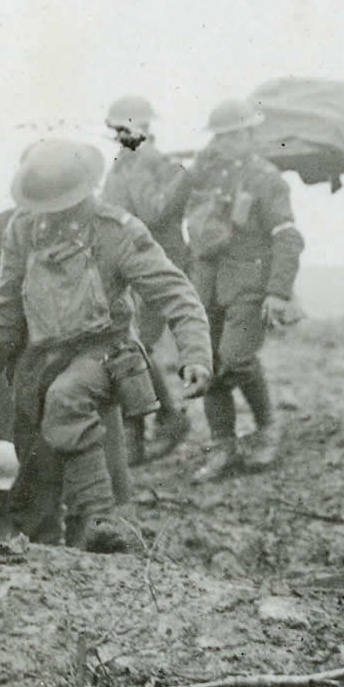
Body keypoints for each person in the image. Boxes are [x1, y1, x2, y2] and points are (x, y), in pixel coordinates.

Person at [0, 137, 212, 554]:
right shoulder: (21, 230)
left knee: (67, 399)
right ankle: (45, 556)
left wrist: (195, 353)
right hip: (39, 361)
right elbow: (7, 313)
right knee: (34, 472)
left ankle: (102, 521)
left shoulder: (115, 230)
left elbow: (175, 292)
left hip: (105, 354)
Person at [180, 97, 305, 482]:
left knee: (235, 358)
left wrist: (279, 291)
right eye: (220, 138)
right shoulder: (206, 174)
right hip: (207, 284)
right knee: (209, 363)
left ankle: (267, 429)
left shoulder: (267, 179)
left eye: (234, 136)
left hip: (250, 284)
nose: (226, 144)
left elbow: (287, 236)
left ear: (250, 135)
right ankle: (223, 445)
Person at [100, 93, 197, 461]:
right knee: (131, 344)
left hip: (153, 264)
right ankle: (140, 433)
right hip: (128, 265)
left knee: (137, 344)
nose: (118, 134)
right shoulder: (125, 164)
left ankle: (164, 420)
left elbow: (152, 211)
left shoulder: (144, 162)